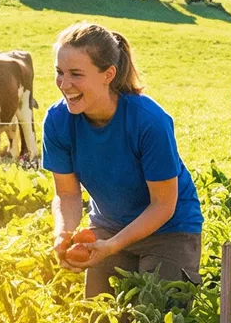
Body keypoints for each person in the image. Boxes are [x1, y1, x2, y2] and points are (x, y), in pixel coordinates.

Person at [44, 22, 204, 296]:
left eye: (76, 74)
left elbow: (163, 205)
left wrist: (113, 245)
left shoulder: (149, 121)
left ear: (108, 74)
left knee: (156, 322)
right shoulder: (58, 120)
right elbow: (67, 194)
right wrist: (63, 233)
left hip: (169, 230)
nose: (64, 84)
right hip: (108, 226)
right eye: (60, 73)